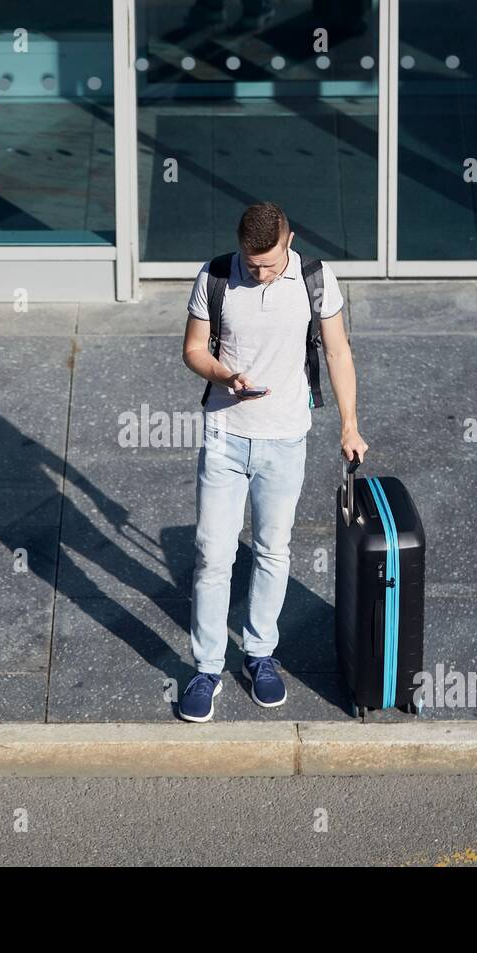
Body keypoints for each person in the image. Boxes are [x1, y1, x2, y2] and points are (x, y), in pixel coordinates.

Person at [178, 201, 368, 721]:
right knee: (213, 554)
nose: (260, 273)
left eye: (269, 263)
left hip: (286, 438)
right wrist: (224, 375)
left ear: (291, 239)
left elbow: (337, 353)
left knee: (272, 551)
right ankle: (207, 668)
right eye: (252, 263)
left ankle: (259, 655)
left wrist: (349, 424)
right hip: (225, 434)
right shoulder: (215, 275)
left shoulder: (316, 278)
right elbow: (193, 349)